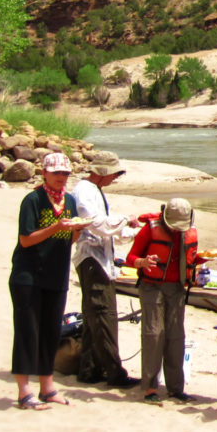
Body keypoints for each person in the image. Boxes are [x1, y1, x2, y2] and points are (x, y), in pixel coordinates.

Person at [10, 152, 81, 410]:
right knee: (28, 332)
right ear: (45, 174)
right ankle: (23, 391)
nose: (61, 178)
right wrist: (56, 227)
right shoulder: (33, 200)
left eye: (65, 173)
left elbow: (68, 240)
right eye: (57, 173)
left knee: (51, 332)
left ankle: (47, 387)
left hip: (56, 274)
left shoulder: (70, 201)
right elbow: (26, 239)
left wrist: (76, 231)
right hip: (28, 276)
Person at [124, 197, 200, 404]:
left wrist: (198, 262)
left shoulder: (190, 231)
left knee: (176, 336)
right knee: (154, 333)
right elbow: (130, 257)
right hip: (151, 286)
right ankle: (150, 387)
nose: (177, 230)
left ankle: (176, 388)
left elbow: (190, 256)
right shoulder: (150, 229)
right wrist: (142, 262)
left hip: (176, 288)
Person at [70, 153, 136, 388]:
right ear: (103, 172)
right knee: (103, 315)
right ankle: (114, 372)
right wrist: (125, 221)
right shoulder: (85, 190)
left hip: (99, 259)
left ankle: (89, 369)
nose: (114, 179)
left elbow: (107, 228)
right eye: (113, 174)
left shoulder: (94, 190)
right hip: (91, 260)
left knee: (92, 317)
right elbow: (98, 225)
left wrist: (131, 230)